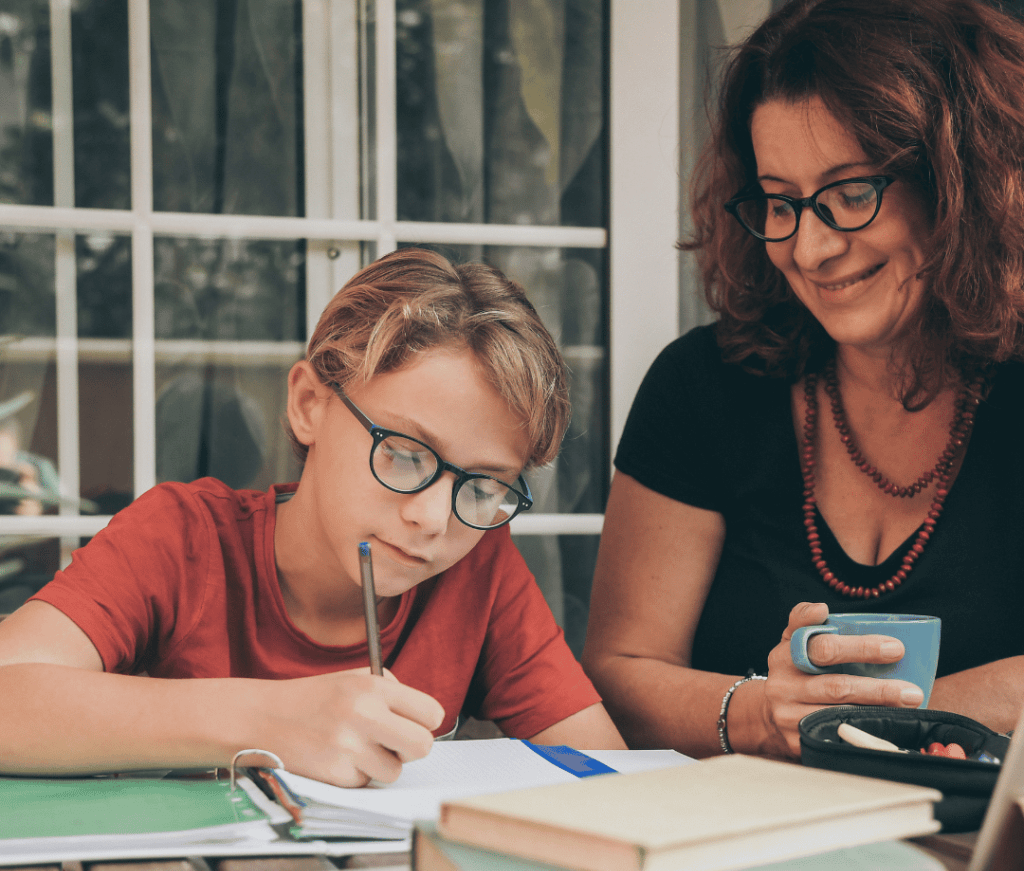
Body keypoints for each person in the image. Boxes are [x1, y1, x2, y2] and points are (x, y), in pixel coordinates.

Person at [582, 0, 1024, 761]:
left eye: (852, 192)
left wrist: (848, 718)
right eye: (781, 201)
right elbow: (618, 677)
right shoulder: (702, 383)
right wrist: (760, 714)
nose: (810, 247)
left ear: (962, 181)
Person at [0, 248, 624, 785]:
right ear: (309, 405)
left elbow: (604, 776)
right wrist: (266, 720)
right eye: (405, 456)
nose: (434, 517)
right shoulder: (183, 539)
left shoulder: (479, 566)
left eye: (484, 487)